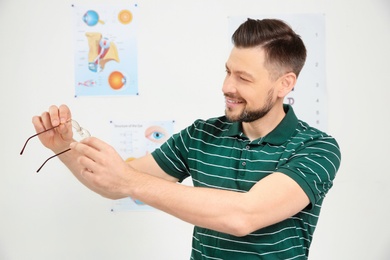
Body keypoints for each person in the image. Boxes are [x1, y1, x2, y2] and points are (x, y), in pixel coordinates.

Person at [32, 18, 341, 259]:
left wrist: (129, 180)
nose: (226, 86)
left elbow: (243, 216)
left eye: (243, 78)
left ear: (285, 84)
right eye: (228, 72)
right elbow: (111, 184)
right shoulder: (200, 135)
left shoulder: (316, 148)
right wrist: (64, 147)